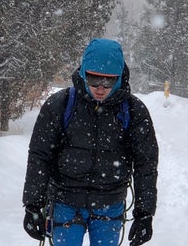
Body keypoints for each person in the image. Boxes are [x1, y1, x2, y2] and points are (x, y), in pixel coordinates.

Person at [22, 38, 159, 246]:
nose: (100, 88)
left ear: (120, 77)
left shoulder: (133, 111)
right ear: (83, 72)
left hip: (110, 205)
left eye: (108, 81)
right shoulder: (60, 105)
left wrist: (144, 213)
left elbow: (145, 164)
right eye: (93, 79)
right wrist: (33, 205)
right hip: (65, 202)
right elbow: (40, 156)